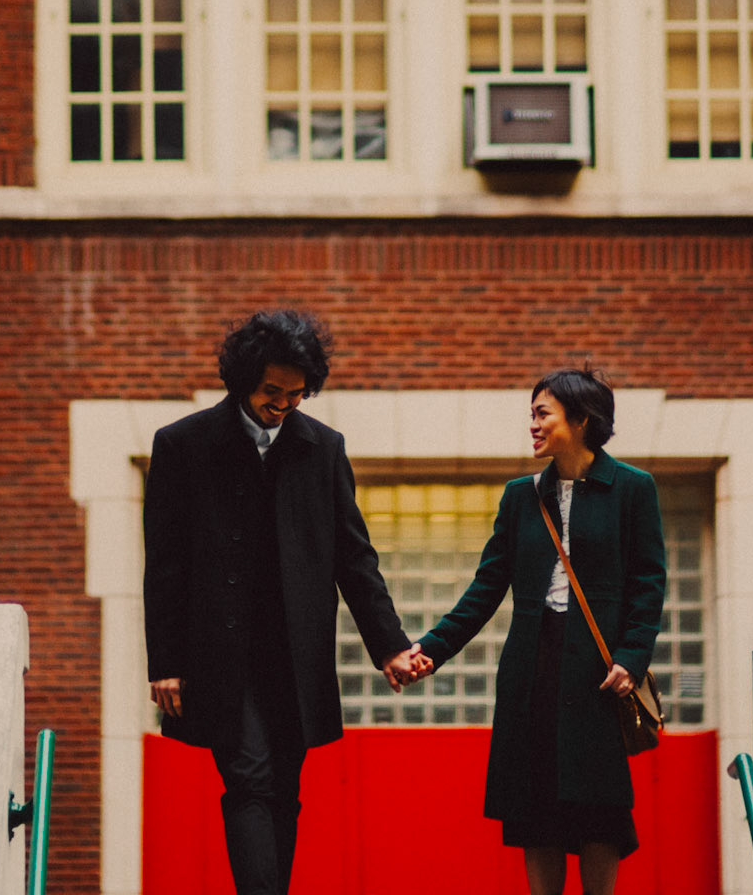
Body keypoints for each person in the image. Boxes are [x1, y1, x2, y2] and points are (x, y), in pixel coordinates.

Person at [143, 308, 425, 895]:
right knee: (248, 778)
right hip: (218, 650)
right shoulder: (183, 445)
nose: (283, 406)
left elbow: (355, 557)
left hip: (295, 650)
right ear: (243, 379)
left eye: (297, 395)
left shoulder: (321, 448)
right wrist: (165, 661)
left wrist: (390, 646)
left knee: (284, 789)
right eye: (273, 393)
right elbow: (165, 563)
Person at [405, 368, 666, 895]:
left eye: (542, 413)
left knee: (599, 809)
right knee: (535, 805)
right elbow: (486, 588)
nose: (533, 424)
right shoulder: (521, 496)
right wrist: (429, 649)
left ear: (581, 419)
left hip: (599, 671)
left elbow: (648, 583)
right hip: (532, 666)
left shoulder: (633, 489)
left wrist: (631, 656)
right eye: (533, 414)